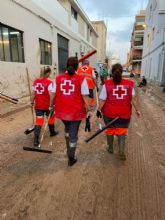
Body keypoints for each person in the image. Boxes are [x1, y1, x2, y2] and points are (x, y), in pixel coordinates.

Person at [50, 57, 92, 166]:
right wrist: (89, 110)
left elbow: (53, 95)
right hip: (75, 112)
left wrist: (51, 106)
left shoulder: (58, 78)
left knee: (68, 130)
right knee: (73, 133)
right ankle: (71, 157)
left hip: (62, 112)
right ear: (77, 67)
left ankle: (69, 150)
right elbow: (85, 97)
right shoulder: (81, 80)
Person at [97, 63, 140, 160]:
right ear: (122, 72)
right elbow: (133, 99)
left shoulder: (107, 84)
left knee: (110, 129)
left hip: (109, 113)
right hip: (124, 113)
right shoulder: (129, 84)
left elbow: (102, 100)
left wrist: (99, 110)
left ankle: (111, 148)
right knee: (122, 130)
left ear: (111, 73)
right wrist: (137, 110)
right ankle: (121, 151)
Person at [31, 66, 58, 147]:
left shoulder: (35, 82)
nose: (49, 74)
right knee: (51, 118)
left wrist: (32, 102)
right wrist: (52, 105)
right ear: (47, 73)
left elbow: (33, 93)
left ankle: (36, 140)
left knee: (39, 122)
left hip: (38, 105)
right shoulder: (49, 83)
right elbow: (51, 95)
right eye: (49, 73)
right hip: (47, 106)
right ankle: (52, 132)